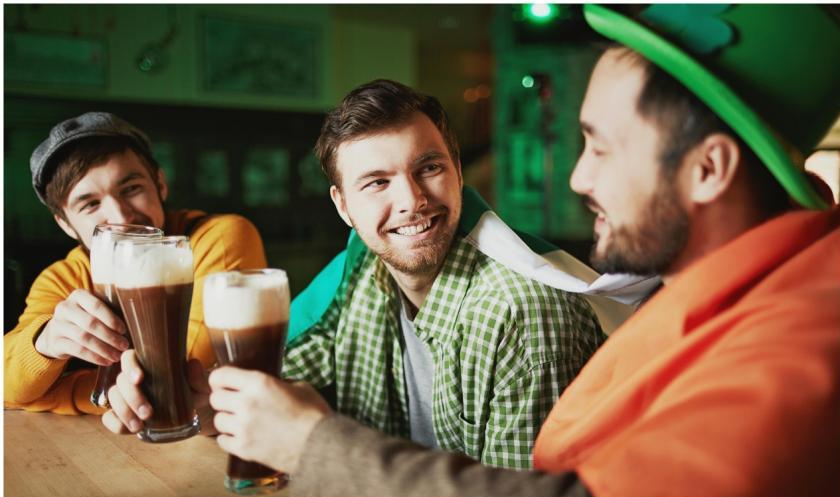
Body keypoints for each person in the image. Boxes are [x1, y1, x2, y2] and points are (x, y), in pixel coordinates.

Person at [110, 3, 840, 497]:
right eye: (374, 182)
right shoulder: (714, 288)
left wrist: (310, 447)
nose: (578, 177)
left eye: (599, 146)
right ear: (342, 203)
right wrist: (208, 397)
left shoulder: (806, 343)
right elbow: (302, 381)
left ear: (709, 168)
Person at [106, 79, 656, 468]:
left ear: (459, 174)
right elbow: (291, 376)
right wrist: (195, 398)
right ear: (343, 207)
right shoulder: (365, 274)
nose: (412, 200)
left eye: (429, 168)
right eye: (376, 183)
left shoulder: (524, 315)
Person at [4, 112, 267, 415]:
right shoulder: (65, 277)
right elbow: (7, 384)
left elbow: (180, 379)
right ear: (64, 224)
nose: (120, 217)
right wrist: (46, 343)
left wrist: (56, 394)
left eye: (131, 189)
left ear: (160, 183)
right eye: (90, 204)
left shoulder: (218, 237)